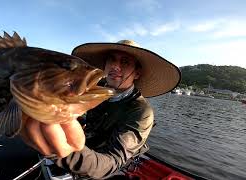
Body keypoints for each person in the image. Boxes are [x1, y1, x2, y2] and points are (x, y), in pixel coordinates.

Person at [20, 40, 181, 179]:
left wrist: (64, 151)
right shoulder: (95, 90)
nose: (115, 66)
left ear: (137, 73)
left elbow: (111, 162)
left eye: (125, 62)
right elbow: (81, 114)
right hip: (85, 147)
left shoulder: (141, 112)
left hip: (100, 166)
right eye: (111, 59)